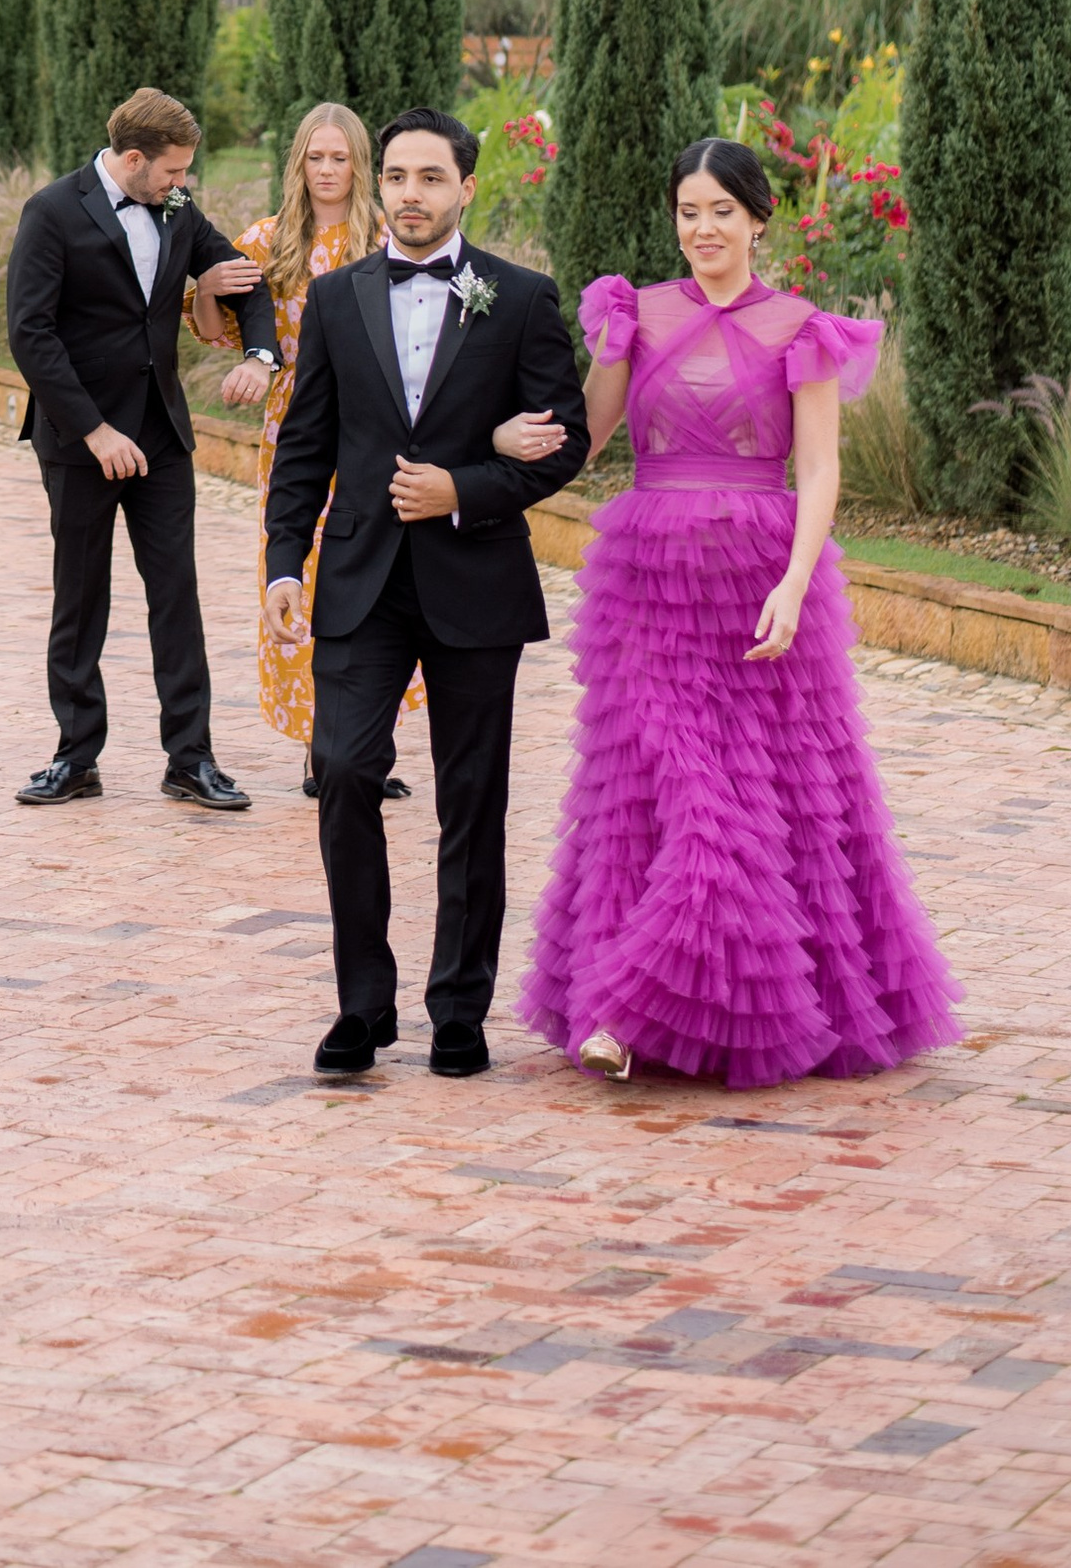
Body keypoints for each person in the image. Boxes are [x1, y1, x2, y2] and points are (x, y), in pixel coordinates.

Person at [515, 138, 959, 1088]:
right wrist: (528, 417)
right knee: (670, 794)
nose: (703, 229)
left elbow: (821, 469)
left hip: (762, 581)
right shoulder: (634, 312)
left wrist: (796, 584)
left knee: (774, 794)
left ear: (759, 218)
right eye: (688, 211)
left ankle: (674, 1014)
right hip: (646, 579)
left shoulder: (803, 326)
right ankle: (622, 1011)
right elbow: (588, 441)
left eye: (721, 210)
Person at [264, 105, 587, 1077]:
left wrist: (464, 488)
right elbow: (304, 447)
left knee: (472, 797)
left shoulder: (520, 297)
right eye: (397, 175)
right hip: (358, 581)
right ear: (381, 182)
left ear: (465, 187)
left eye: (429, 177)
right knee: (345, 768)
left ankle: (458, 1006)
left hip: (473, 577)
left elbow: (560, 436)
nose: (410, 193)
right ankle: (362, 1004)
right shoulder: (335, 299)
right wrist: (285, 562)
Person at [5, 86, 277, 814]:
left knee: (175, 600)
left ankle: (191, 760)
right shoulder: (52, 213)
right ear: (133, 159)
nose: (182, 183)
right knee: (81, 598)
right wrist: (94, 430)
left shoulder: (179, 210)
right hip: (80, 441)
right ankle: (75, 757)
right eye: (173, 171)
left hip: (160, 436)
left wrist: (259, 354)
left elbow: (244, 275)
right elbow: (31, 334)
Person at [196, 102, 411, 804]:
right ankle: (325, 749)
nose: (326, 171)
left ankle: (367, 741)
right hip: (297, 434)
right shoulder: (268, 240)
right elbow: (213, 327)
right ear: (299, 164)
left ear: (360, 164)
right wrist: (203, 288)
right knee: (301, 578)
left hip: (376, 431)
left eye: (339, 158)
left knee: (376, 577)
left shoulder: (385, 238)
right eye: (315, 158)